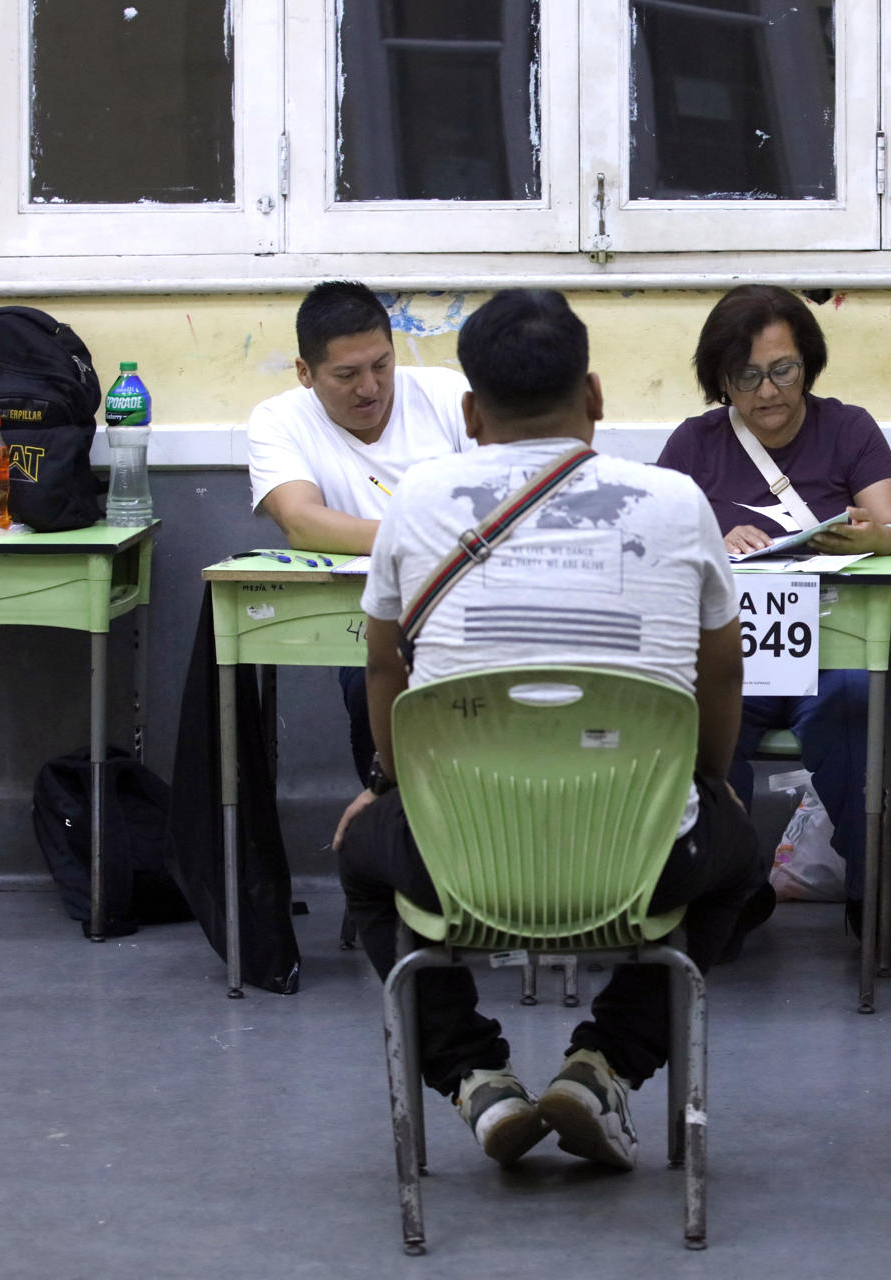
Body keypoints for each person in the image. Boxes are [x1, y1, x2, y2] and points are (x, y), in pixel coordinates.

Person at [332, 289, 768, 1172]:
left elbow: (384, 669)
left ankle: (475, 1080)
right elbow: (721, 674)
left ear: (470, 414)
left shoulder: (417, 501)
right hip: (643, 859)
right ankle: (604, 1067)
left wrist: (390, 787)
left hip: (456, 862)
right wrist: (706, 785)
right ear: (595, 395)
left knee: (359, 858)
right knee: (737, 858)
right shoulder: (678, 502)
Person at [656, 285, 891, 928]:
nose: (768, 391)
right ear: (721, 380)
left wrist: (869, 536)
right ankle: (730, 889)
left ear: (808, 365)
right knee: (692, 713)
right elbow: (655, 550)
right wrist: (710, 541)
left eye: (783, 370)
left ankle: (874, 890)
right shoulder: (693, 445)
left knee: (856, 701)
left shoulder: (848, 429)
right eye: (747, 377)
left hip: (834, 653)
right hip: (733, 657)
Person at [247, 280, 473, 786]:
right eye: (346, 375)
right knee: (371, 688)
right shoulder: (279, 420)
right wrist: (427, 536)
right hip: (364, 617)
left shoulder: (446, 394)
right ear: (305, 372)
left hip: (466, 603)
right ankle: (391, 811)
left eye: (381, 365)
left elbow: (506, 505)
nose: (369, 388)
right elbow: (301, 521)